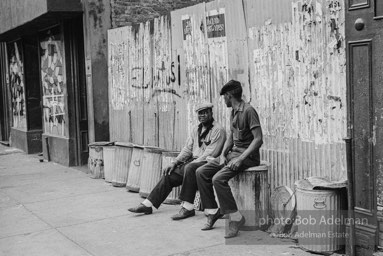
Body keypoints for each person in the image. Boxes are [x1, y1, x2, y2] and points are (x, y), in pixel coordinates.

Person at [128, 102, 226, 220]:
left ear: (211, 113)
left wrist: (190, 164)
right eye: (200, 113)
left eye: (206, 112)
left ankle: (187, 207)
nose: (203, 115)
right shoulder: (196, 129)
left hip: (209, 164)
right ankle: (148, 204)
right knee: (170, 173)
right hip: (194, 163)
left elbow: (210, 154)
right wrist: (175, 162)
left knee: (189, 168)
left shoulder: (218, 130)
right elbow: (187, 149)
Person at [195, 80, 263, 238]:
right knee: (201, 172)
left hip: (248, 157)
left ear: (229, 95)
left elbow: (258, 139)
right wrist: (223, 154)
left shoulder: (249, 111)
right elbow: (232, 135)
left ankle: (235, 218)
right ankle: (213, 211)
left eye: (224, 97)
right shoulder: (233, 111)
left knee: (218, 179)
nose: (224, 100)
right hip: (234, 154)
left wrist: (240, 159)